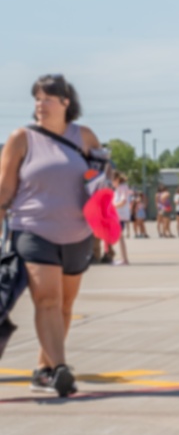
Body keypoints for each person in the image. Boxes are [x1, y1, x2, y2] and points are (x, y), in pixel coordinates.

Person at [0, 73, 104, 397]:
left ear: (65, 102)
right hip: (32, 229)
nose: (40, 105)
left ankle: (44, 370)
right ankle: (60, 369)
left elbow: (100, 184)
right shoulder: (22, 138)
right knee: (47, 299)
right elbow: (4, 191)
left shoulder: (85, 136)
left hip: (77, 233)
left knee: (65, 305)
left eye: (46, 98)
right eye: (36, 99)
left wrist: (102, 228)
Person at [110, 171, 131, 265]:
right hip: (119, 216)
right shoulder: (119, 188)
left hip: (120, 216)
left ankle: (124, 259)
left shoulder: (122, 188)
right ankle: (124, 259)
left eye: (112, 181)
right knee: (120, 238)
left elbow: (123, 201)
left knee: (120, 238)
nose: (112, 183)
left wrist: (112, 207)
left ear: (117, 180)